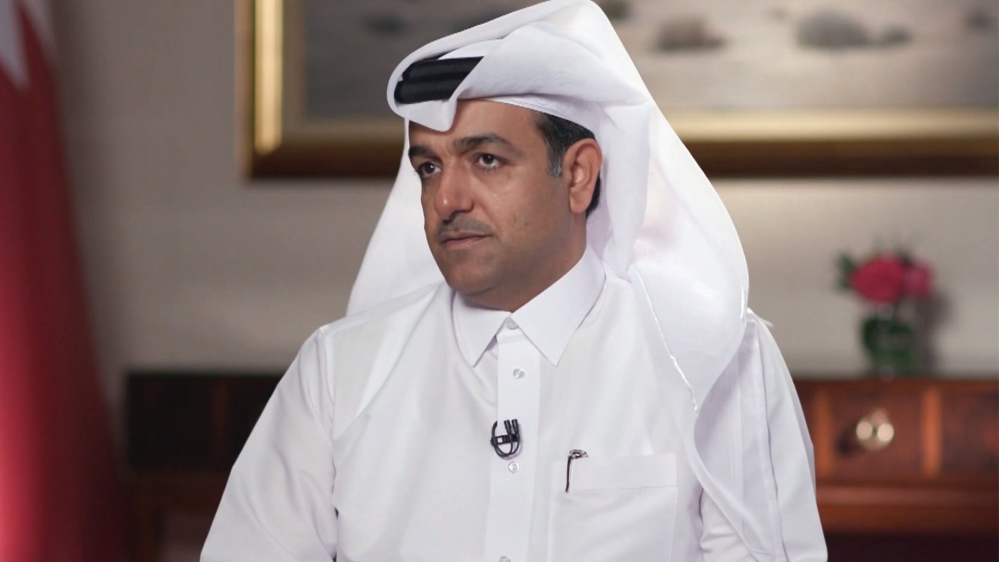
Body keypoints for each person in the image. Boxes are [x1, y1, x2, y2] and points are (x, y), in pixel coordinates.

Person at [202, 1, 826, 561]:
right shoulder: (338, 370)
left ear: (578, 176)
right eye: (428, 167)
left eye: (486, 160)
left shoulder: (711, 359)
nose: (446, 199)